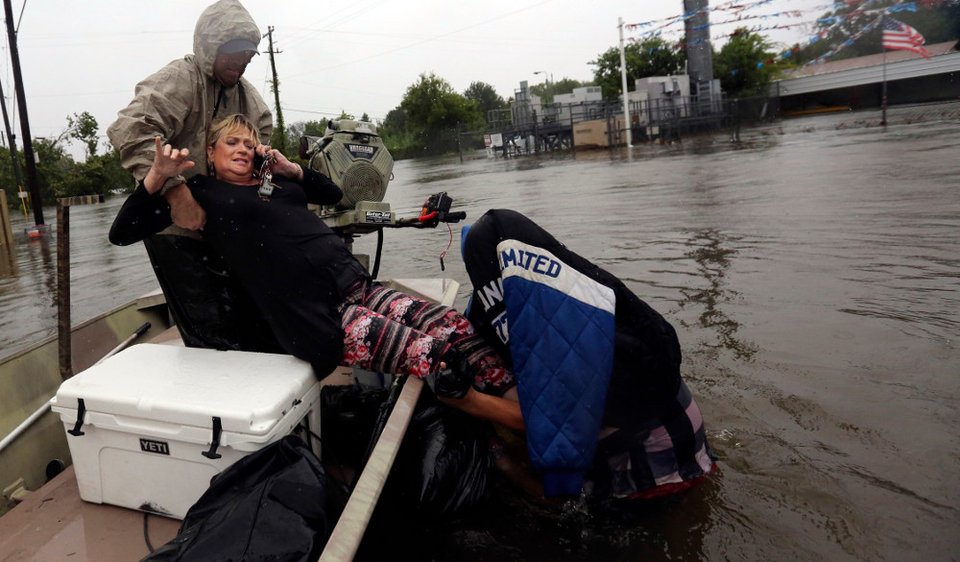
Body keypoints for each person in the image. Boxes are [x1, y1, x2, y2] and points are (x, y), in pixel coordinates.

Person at [109, 114, 509, 391]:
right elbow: (122, 232)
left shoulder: (278, 184)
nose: (243, 150)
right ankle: (516, 428)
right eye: (231, 143)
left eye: (250, 144)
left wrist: (290, 168)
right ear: (210, 153)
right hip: (320, 314)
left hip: (357, 286)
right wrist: (159, 176)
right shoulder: (203, 193)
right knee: (437, 356)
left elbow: (333, 193)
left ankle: (519, 402)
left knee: (455, 327)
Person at [440, 209, 717, 501]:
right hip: (686, 433)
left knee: (554, 504)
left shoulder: (557, 337)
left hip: (653, 466)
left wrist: (470, 402)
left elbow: (546, 418)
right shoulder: (580, 292)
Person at [107, 0, 272, 234]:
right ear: (211, 47)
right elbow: (131, 129)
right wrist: (176, 193)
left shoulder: (254, 104)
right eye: (234, 51)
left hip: (226, 220)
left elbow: (262, 162)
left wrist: (264, 201)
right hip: (172, 220)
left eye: (248, 53)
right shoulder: (180, 79)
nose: (241, 60)